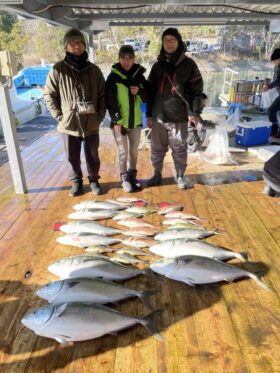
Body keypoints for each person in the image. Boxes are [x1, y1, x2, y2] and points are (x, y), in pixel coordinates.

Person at [44, 28, 106, 197]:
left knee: (93, 154)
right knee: (71, 156)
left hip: (91, 121)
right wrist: (60, 116)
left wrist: (99, 116)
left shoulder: (94, 70)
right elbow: (49, 95)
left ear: (84, 46)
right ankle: (76, 182)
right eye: (72, 43)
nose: (77, 46)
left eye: (80, 43)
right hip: (68, 124)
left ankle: (94, 180)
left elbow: (103, 95)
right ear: (66, 47)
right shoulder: (57, 70)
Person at [146, 27, 203, 189]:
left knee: (179, 148)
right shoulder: (157, 66)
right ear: (162, 44)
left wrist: (195, 113)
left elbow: (197, 91)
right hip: (158, 116)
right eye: (166, 41)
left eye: (172, 40)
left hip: (178, 116)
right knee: (157, 148)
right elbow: (150, 91)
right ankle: (157, 174)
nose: (169, 44)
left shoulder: (189, 65)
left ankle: (180, 175)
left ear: (179, 42)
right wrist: (148, 114)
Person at [106, 45, 147, 192]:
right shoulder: (113, 77)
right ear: (119, 58)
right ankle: (124, 177)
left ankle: (132, 176)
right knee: (123, 152)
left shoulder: (140, 76)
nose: (126, 61)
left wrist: (140, 91)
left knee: (134, 152)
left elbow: (147, 97)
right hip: (120, 124)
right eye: (123, 57)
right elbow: (109, 101)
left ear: (134, 59)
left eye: (130, 57)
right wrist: (116, 120)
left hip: (136, 123)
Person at [262, 48, 280, 137]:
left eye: (275, 61)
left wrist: (269, 87)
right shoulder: (278, 67)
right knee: (273, 110)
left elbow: (279, 80)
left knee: (271, 110)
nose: (275, 63)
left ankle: (274, 131)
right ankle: (275, 131)